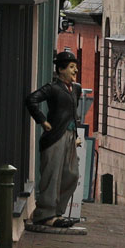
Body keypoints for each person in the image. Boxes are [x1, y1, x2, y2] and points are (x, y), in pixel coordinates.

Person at [24, 50, 85, 233]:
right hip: (55, 136)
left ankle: (57, 211)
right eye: (71, 67)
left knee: (71, 174)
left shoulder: (76, 89)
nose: (75, 71)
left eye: (76, 66)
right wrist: (43, 121)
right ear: (60, 69)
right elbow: (31, 100)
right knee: (52, 175)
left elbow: (73, 112)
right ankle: (45, 214)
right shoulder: (52, 88)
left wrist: (76, 134)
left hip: (70, 136)